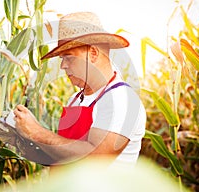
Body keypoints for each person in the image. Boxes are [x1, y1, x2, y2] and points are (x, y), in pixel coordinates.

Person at [13, 12, 146, 166]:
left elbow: (95, 158)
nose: (63, 65)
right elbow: (61, 152)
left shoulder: (121, 99)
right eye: (62, 58)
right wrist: (22, 134)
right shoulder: (75, 99)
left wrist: (36, 132)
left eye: (68, 57)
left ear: (93, 53)